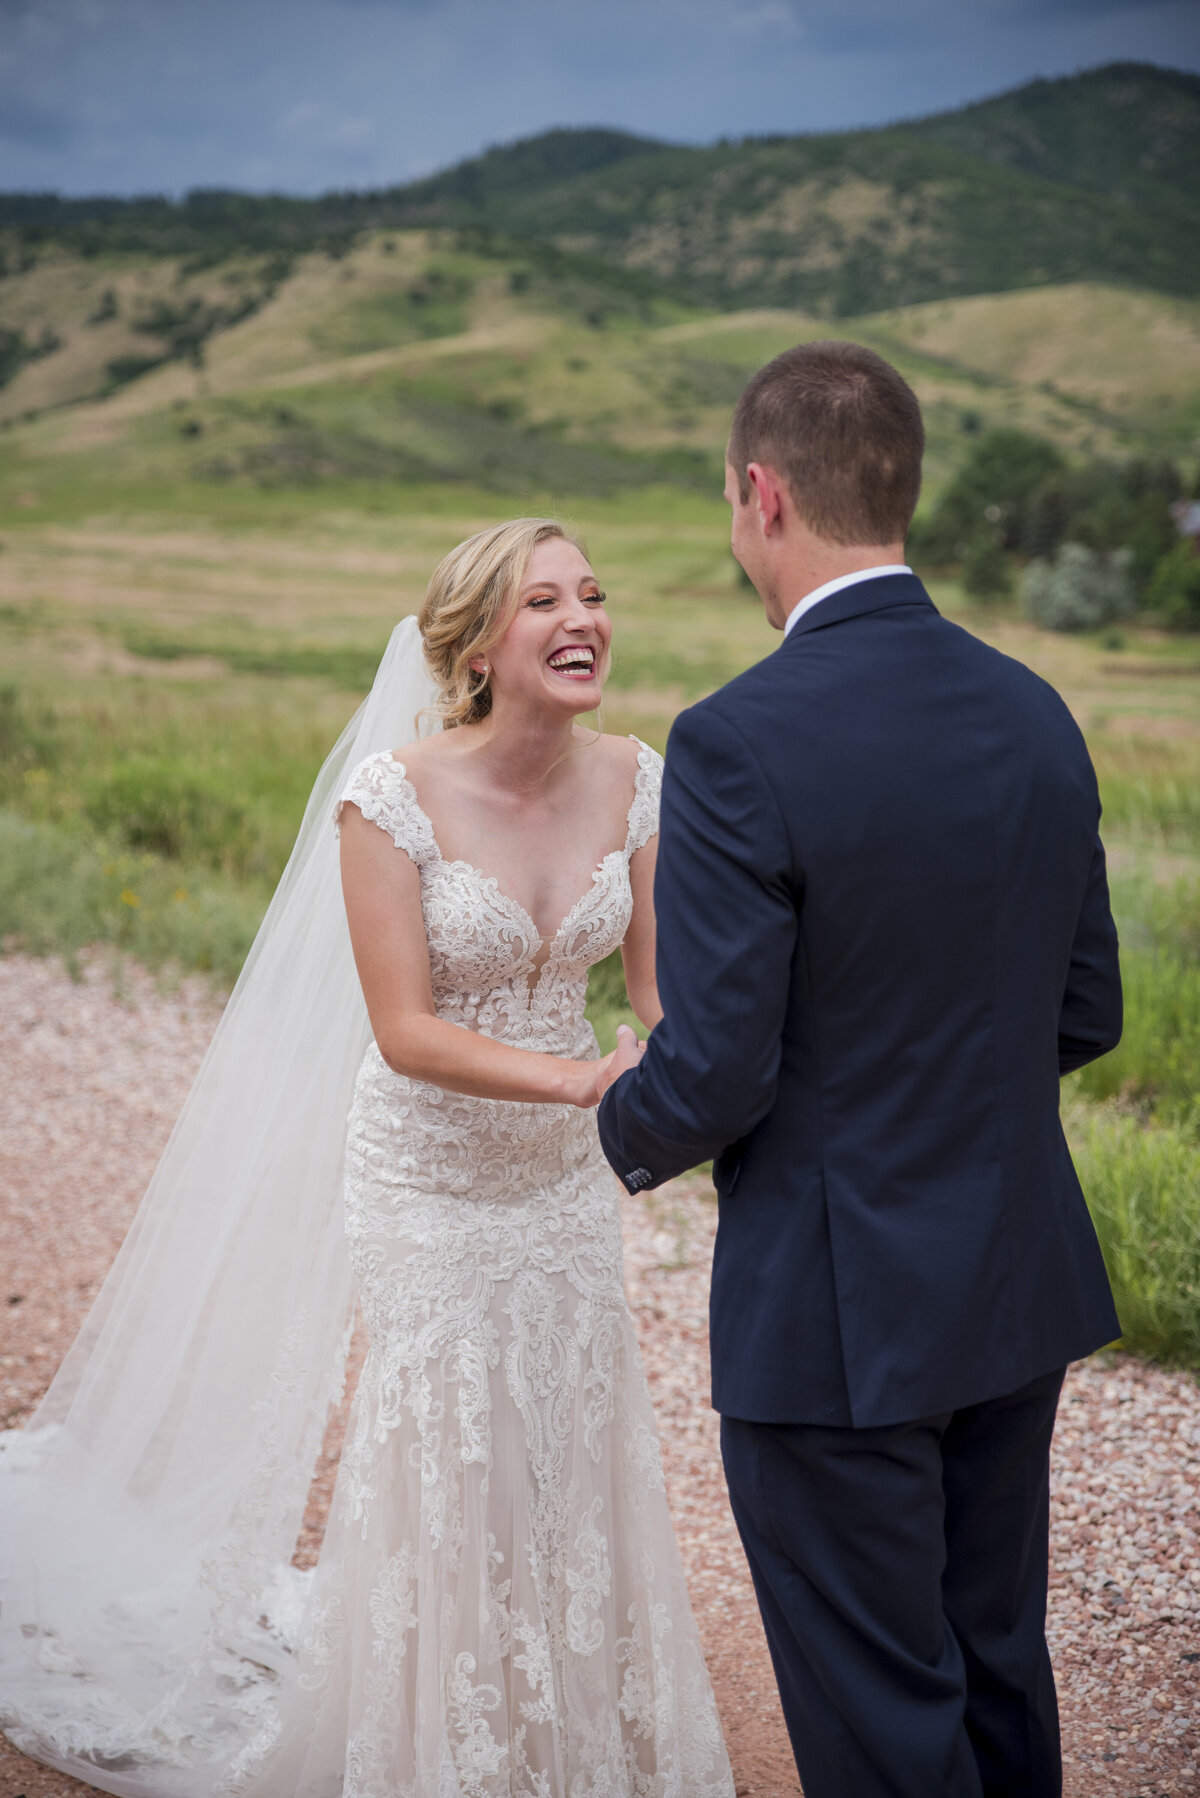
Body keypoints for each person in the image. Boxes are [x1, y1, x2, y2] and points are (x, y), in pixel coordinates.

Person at [0, 519, 733, 1798]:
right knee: (452, 1445)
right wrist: (583, 1080)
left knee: (568, 1423)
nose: (583, 621)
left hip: (562, 1181)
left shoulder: (638, 774)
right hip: (430, 1177)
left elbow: (659, 993)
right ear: (474, 645)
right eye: (542, 602)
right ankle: (434, 1743)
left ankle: (569, 1732)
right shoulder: (390, 796)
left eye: (595, 596)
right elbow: (404, 1032)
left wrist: (684, 1082)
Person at [597, 340, 1123, 1797]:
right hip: (1013, 1285)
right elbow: (1085, 1010)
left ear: (761, 493)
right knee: (995, 1665)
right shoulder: (1036, 709)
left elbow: (712, 1075)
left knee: (883, 1718)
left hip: (836, 1321)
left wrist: (611, 1124)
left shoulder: (736, 740)